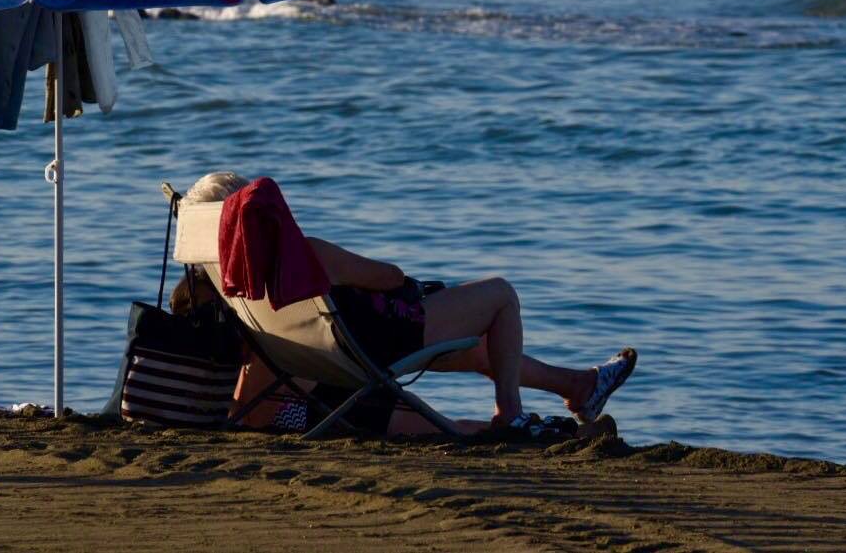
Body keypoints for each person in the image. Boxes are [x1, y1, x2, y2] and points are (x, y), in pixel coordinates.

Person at [171, 170, 636, 438]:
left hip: (329, 361)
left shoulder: (230, 287)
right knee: (499, 296)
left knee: (476, 347)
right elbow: (390, 276)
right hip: (375, 348)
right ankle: (510, 416)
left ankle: (580, 386)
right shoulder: (304, 255)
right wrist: (391, 283)